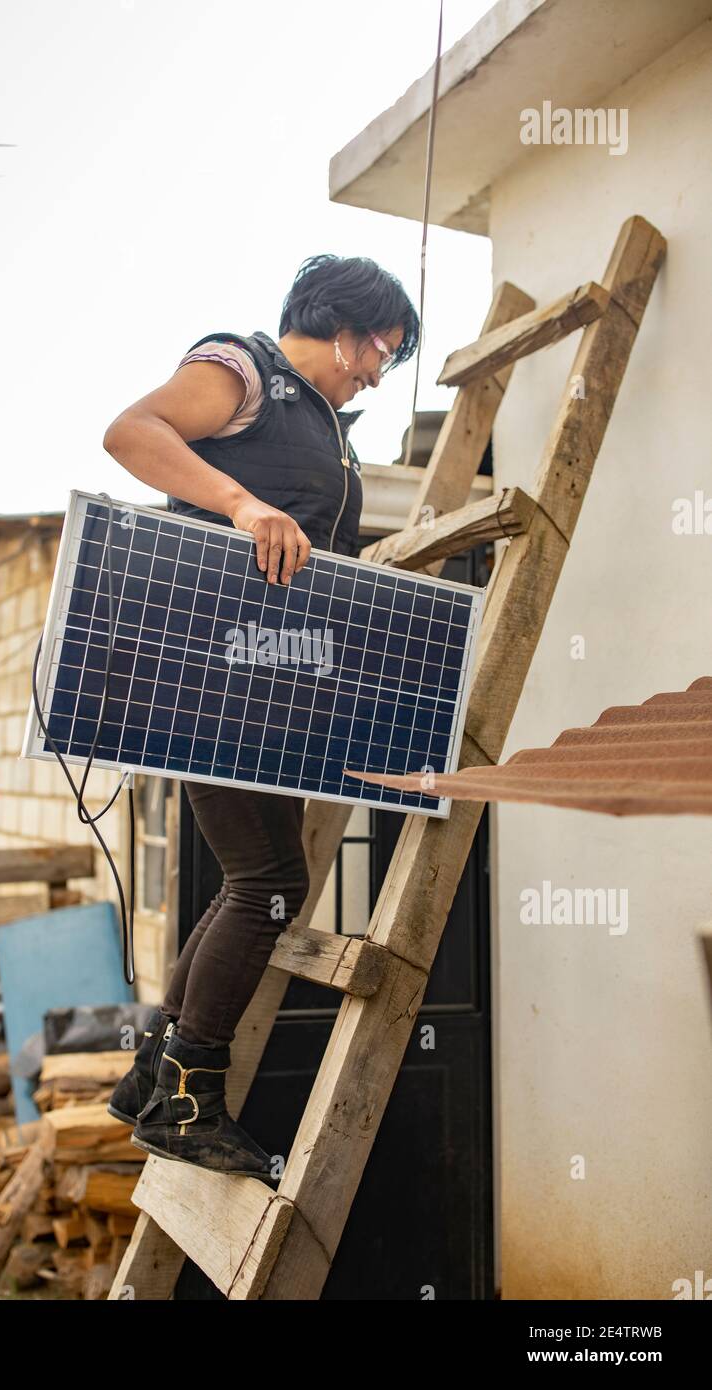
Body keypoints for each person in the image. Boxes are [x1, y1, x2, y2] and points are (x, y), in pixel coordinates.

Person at [103, 253, 419, 1178]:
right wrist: (242, 506)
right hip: (204, 674)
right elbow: (130, 431)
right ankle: (189, 1101)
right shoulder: (241, 372)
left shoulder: (326, 423)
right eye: (378, 351)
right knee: (269, 881)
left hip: (264, 684)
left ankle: (154, 1076)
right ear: (340, 324)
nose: (375, 372)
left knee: (257, 878)